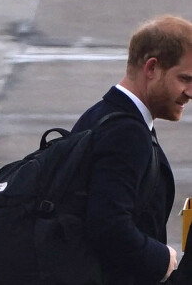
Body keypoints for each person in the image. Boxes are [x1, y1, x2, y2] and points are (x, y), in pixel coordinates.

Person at [72, 15, 192, 284]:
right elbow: (107, 227)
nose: (190, 92)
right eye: (185, 78)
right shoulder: (125, 133)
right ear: (151, 68)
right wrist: (163, 259)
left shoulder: (100, 115)